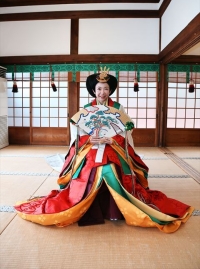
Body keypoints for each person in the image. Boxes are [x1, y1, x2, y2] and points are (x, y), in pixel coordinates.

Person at [14, 68, 194, 233]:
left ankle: (117, 208)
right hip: (91, 147)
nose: (102, 93)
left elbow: (127, 129)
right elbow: (77, 131)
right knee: (88, 171)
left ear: (110, 90)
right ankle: (87, 205)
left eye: (106, 89)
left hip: (113, 146)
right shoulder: (86, 109)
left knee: (112, 169)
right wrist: (88, 139)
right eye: (99, 89)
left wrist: (113, 139)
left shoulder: (118, 108)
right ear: (93, 90)